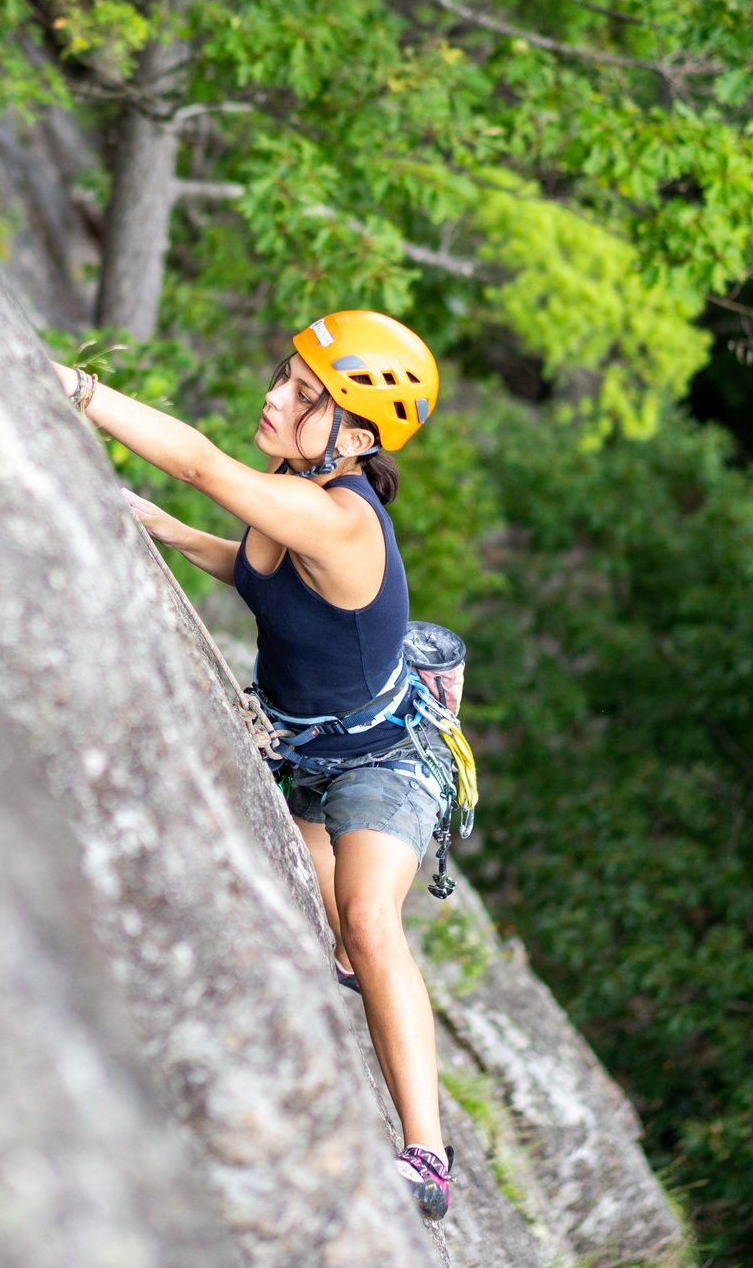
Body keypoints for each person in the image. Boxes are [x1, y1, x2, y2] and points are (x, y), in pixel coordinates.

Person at [51, 311, 454, 1221]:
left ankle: (427, 1155)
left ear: (355, 436)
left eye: (305, 397)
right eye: (286, 375)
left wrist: (79, 390)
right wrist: (168, 530)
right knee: (331, 935)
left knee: (364, 920)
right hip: (306, 762)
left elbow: (198, 461)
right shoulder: (292, 485)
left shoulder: (340, 517)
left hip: (385, 763)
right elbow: (262, 574)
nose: (276, 396)